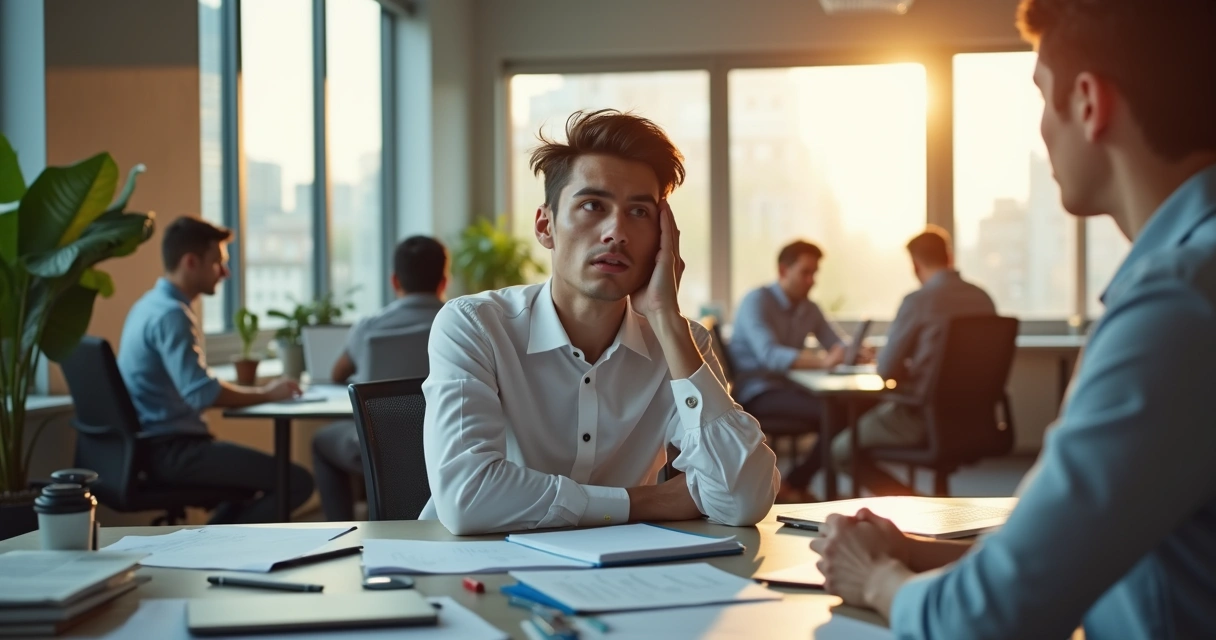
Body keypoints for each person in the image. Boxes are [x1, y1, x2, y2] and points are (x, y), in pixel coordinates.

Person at [811, 1, 1216, 638]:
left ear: (1088, 103)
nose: (1042, 130)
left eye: (1040, 97)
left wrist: (877, 579)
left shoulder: (1177, 305)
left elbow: (990, 620)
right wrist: (918, 554)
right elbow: (1091, 553)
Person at [421, 109, 779, 535]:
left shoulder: (681, 343)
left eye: (640, 213)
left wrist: (666, 318)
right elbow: (469, 499)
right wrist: (650, 501)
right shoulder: (476, 326)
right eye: (593, 205)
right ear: (545, 225)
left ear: (663, 239)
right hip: (479, 570)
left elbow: (743, 499)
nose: (617, 232)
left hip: (625, 580)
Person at [118, 217, 314, 524]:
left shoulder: (148, 305)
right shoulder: (172, 315)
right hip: (172, 452)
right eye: (217, 263)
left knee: (259, 482)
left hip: (154, 446)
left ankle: (212, 538)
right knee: (297, 482)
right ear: (191, 262)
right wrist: (268, 392)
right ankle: (213, 540)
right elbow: (202, 393)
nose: (225, 272)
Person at [830, 226, 995, 496]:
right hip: (975, 419)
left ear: (915, 265)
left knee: (841, 451)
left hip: (921, 416)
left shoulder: (919, 301)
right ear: (949, 257)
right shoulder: (983, 298)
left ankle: (910, 501)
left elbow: (885, 370)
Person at [312, 235, 448, 521]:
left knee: (322, 442)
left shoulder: (369, 327)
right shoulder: (462, 325)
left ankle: (341, 533)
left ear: (395, 281)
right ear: (443, 281)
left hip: (376, 452)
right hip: (445, 450)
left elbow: (338, 374)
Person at [728, 241, 851, 503]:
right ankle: (795, 485)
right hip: (756, 391)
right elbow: (770, 356)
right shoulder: (756, 301)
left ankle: (794, 484)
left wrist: (853, 351)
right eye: (805, 273)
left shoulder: (809, 308)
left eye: (814, 274)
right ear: (784, 270)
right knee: (833, 414)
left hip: (790, 389)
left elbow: (835, 342)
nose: (811, 281)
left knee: (843, 411)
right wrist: (824, 362)